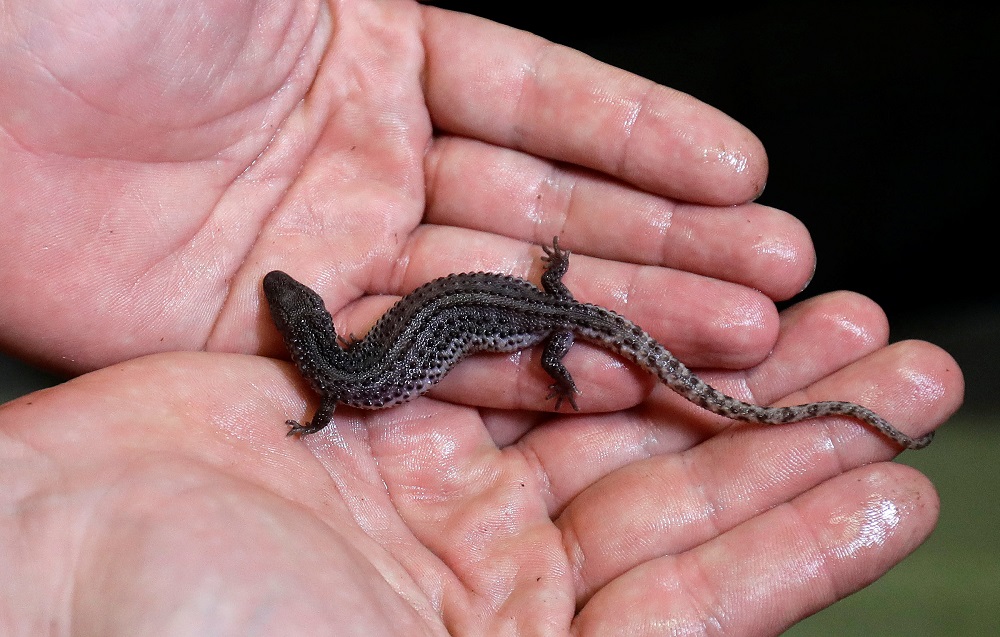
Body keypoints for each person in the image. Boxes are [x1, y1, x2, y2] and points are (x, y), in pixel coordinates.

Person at [0, 1, 962, 634]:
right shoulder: (334, 367)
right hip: (529, 309)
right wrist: (553, 330)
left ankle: (836, 413)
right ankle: (838, 414)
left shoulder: (330, 381)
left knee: (647, 354)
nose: (287, 302)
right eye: (290, 307)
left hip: (530, 316)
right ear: (311, 327)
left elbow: (334, 402)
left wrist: (559, 359)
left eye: (287, 305)